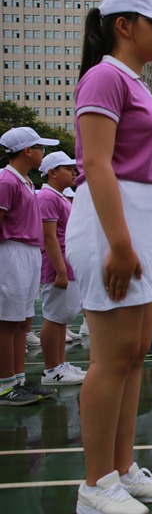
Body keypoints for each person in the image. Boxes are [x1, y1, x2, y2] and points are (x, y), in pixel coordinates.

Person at [69, 0, 152, 514]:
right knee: (111, 357)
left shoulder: (134, 83)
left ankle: (122, 467)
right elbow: (96, 163)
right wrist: (119, 243)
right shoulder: (105, 77)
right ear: (123, 25)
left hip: (139, 219)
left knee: (135, 352)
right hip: (113, 223)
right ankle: (95, 484)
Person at [1, 127, 60, 405]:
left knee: (21, 321)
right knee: (7, 322)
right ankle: (5, 385)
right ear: (27, 151)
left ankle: (18, 380)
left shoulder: (25, 181)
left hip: (28, 253)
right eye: (40, 148)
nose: (42, 153)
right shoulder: (6, 181)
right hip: (11, 252)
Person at [37, 150, 86, 386]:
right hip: (58, 266)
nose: (73, 172)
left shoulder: (58, 196)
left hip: (66, 264)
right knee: (54, 318)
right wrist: (60, 271)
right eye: (67, 169)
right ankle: (51, 370)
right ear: (52, 172)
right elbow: (49, 237)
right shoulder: (47, 197)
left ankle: (60, 364)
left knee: (62, 318)